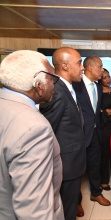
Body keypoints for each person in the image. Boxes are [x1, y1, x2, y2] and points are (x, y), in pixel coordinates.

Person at [0, 50, 64, 219]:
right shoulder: (34, 128)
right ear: (39, 85)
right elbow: (34, 210)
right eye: (52, 79)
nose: (54, 85)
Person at [40, 47, 86, 220]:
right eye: (79, 63)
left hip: (72, 163)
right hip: (66, 164)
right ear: (65, 66)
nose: (82, 68)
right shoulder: (57, 91)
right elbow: (46, 131)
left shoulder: (69, 88)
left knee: (69, 206)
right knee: (66, 210)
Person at [73, 56, 111, 207]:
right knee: (76, 169)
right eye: (100, 67)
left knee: (94, 165)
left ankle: (96, 193)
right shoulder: (75, 85)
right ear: (90, 68)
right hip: (79, 134)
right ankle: (76, 202)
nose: (102, 70)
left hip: (96, 133)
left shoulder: (98, 87)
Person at [99, 68, 111, 190]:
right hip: (103, 127)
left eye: (109, 76)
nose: (108, 79)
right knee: (104, 154)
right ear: (99, 79)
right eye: (104, 77)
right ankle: (104, 180)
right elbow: (97, 111)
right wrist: (106, 112)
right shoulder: (97, 92)